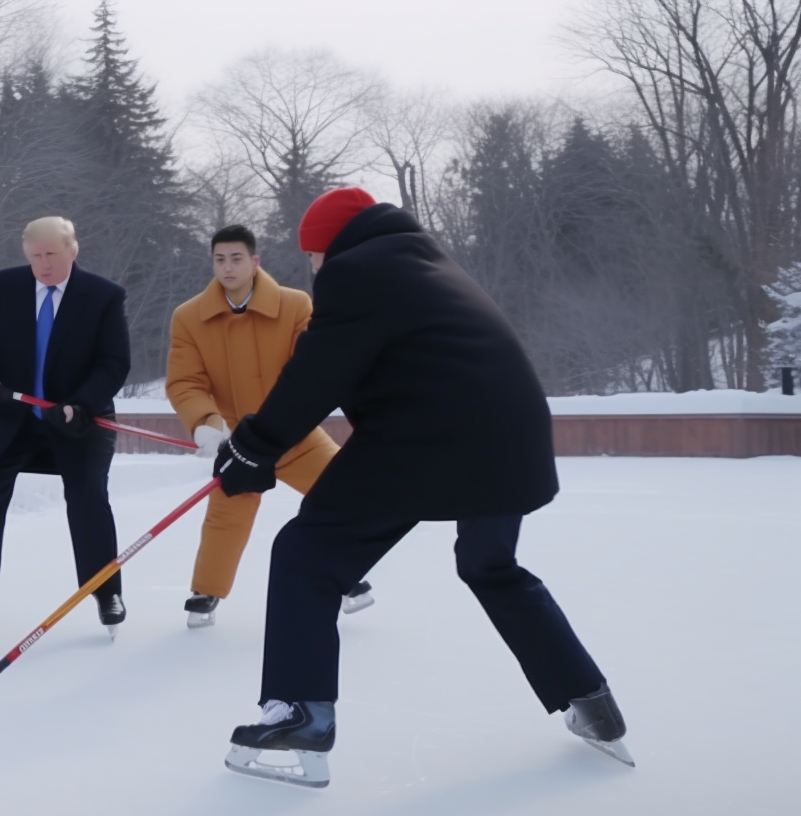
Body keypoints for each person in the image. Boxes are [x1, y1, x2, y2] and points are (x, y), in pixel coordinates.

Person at [216, 188, 631, 788]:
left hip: (429, 437)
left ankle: (300, 713)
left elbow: (320, 370)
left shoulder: (357, 271)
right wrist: (261, 446)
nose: (312, 268)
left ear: (327, 246)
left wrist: (253, 446)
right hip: (508, 435)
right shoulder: (424, 261)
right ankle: (591, 701)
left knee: (308, 553)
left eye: (312, 256)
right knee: (490, 564)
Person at [165, 224, 373, 628]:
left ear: (255, 260)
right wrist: (206, 424)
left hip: (294, 434)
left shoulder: (295, 306)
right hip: (237, 441)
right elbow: (185, 381)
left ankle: (348, 575)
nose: (227, 267)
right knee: (226, 515)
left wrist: (286, 422)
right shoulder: (189, 317)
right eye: (220, 259)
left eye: (236, 258)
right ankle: (205, 591)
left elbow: (311, 372)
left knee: (340, 495)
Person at [0, 216, 132, 635]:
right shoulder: (2, 287)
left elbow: (114, 363)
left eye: (51, 255)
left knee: (87, 499)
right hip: (16, 416)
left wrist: (81, 404)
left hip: (81, 418)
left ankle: (105, 591)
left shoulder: (103, 296)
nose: (43, 265)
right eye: (34, 257)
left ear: (72, 250)